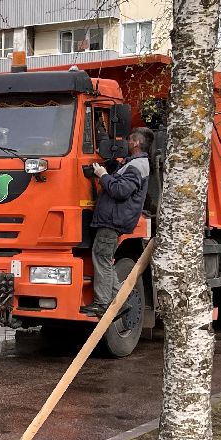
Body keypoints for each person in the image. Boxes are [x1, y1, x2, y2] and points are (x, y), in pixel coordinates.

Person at [80, 128, 153, 319]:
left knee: (102, 258)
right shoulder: (134, 164)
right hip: (114, 218)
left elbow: (120, 191)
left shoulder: (137, 166)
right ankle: (121, 302)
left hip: (113, 220)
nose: (126, 143)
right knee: (105, 260)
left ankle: (103, 303)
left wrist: (103, 175)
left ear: (136, 142)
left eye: (129, 140)